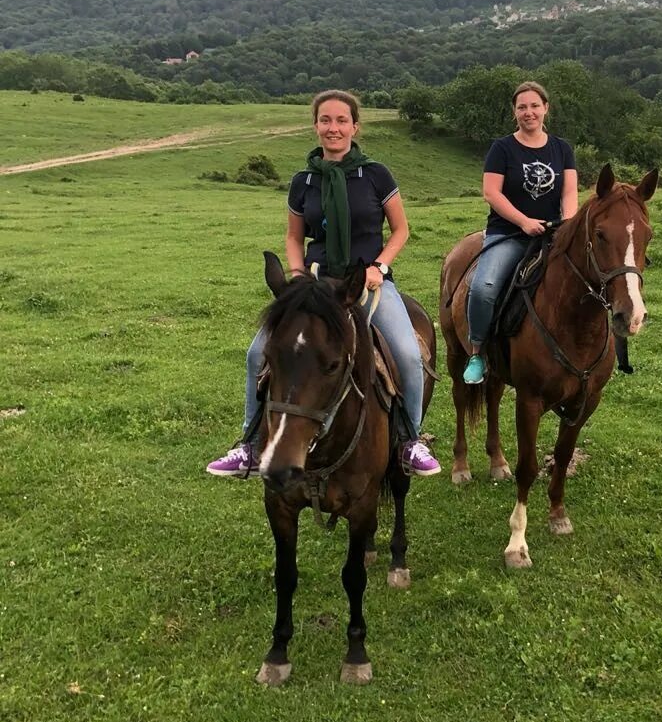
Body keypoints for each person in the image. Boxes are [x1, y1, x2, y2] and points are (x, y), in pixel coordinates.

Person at [207, 90, 441, 478]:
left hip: (368, 283)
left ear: (355, 126)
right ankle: (248, 445)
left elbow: (400, 230)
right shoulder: (304, 181)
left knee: (407, 352)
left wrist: (379, 267)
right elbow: (293, 237)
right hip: (316, 287)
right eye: (326, 120)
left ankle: (409, 441)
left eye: (341, 121)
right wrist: (297, 274)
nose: (333, 128)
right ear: (316, 126)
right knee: (256, 355)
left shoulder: (377, 175)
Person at [463, 81, 578, 384]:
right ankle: (477, 351)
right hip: (508, 234)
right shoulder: (502, 148)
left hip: (552, 234)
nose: (529, 112)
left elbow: (569, 193)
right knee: (484, 287)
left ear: (546, 109)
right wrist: (523, 221)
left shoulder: (562, 148)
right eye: (522, 107)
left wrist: (568, 224)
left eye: (534, 106)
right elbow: (491, 193)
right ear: (515, 112)